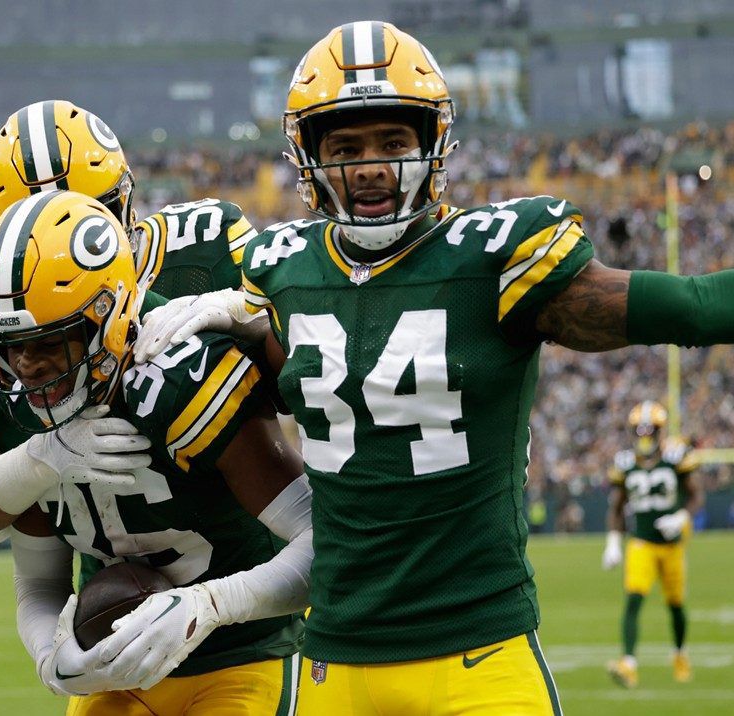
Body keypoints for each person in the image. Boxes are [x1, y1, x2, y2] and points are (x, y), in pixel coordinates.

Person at [133, 20, 734, 716]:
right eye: (346, 146)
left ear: (433, 144)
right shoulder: (280, 272)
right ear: (308, 155)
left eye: (393, 142)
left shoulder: (493, 258)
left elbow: (690, 307)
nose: (370, 167)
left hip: (477, 656)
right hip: (335, 660)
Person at [0, 190, 314, 712]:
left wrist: (211, 605)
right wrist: (49, 654)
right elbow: (39, 579)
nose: (27, 366)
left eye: (49, 340)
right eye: (10, 345)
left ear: (106, 318)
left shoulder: (180, 380)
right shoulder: (15, 411)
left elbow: (325, 544)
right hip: (115, 676)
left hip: (243, 655)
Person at [0, 100, 262, 543]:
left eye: (86, 214)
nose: (57, 234)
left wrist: (250, 313)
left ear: (125, 201)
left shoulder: (205, 249)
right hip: (112, 566)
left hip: (248, 537)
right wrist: (39, 458)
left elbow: (312, 363)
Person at [602, 401, 704, 688]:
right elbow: (617, 506)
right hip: (641, 543)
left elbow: (696, 496)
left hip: (672, 545)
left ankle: (680, 654)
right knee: (634, 598)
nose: (644, 436)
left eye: (650, 430)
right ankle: (628, 664)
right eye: (639, 430)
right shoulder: (625, 462)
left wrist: (682, 517)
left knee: (675, 605)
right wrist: (612, 541)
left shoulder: (676, 455)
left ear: (660, 431)